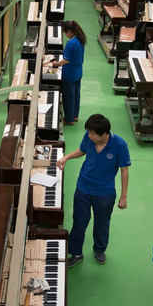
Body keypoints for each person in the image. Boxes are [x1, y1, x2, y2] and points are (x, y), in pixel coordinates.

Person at [57, 114, 130, 267]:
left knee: (102, 223)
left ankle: (99, 249)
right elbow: (82, 150)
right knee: (79, 222)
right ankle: (76, 252)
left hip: (105, 194)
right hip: (83, 188)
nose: (89, 136)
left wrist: (123, 197)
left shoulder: (119, 145)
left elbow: (124, 170)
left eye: (92, 134)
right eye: (88, 132)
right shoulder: (89, 138)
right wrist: (67, 157)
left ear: (104, 134)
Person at [48, 21, 85, 125]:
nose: (65, 34)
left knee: (68, 97)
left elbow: (66, 60)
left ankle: (69, 120)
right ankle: (75, 115)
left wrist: (56, 64)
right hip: (78, 71)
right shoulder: (80, 40)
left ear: (70, 31)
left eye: (65, 32)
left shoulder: (71, 43)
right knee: (76, 94)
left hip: (69, 73)